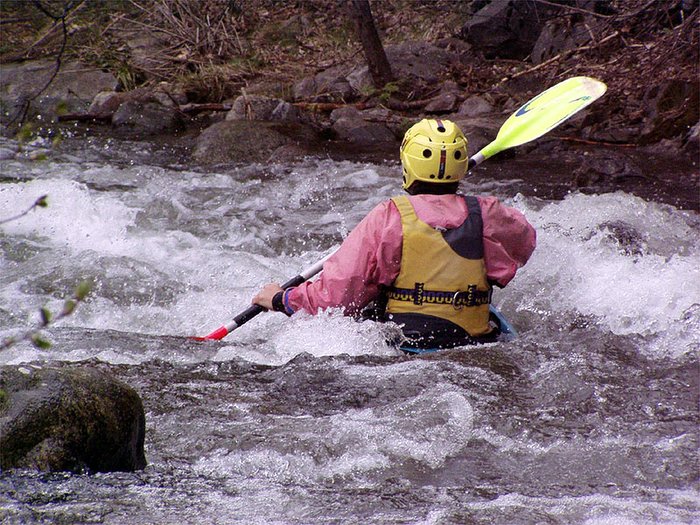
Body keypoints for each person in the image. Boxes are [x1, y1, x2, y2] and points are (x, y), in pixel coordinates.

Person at [253, 118, 536, 351]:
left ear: (407, 165)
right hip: (474, 343)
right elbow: (525, 245)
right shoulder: (489, 212)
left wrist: (282, 299)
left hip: (406, 347)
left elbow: (336, 299)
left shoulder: (389, 216)